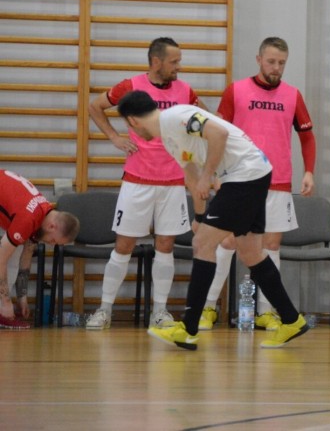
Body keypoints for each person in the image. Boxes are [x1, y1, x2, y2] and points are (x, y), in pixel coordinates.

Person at [117, 90, 308, 350]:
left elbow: (219, 133)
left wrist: (208, 176)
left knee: (202, 245)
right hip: (250, 174)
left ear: (132, 121)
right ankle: (291, 319)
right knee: (250, 252)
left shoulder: (176, 117)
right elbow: (192, 176)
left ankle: (189, 328)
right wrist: (199, 215)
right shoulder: (170, 139)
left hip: (244, 174)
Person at [198, 37, 316, 332]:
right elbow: (215, 134)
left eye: (282, 63)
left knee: (271, 244)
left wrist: (309, 171)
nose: (277, 68)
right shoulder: (235, 91)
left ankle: (265, 311)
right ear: (259, 59)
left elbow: (307, 136)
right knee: (226, 242)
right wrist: (213, 174)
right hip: (238, 180)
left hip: (277, 181)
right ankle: (208, 308)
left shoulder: (293, 95)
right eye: (272, 61)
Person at [86, 37, 205, 330]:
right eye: (174, 61)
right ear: (156, 62)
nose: (179, 66)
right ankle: (104, 310)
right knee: (124, 245)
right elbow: (95, 107)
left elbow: (205, 121)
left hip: (173, 181)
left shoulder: (185, 91)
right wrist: (114, 137)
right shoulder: (131, 86)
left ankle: (160, 311)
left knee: (165, 245)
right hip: (138, 180)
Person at [0, 168, 79, 328]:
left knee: (16, 252)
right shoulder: (28, 219)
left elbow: (27, 251)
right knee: (6, 255)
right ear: (52, 226)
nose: (51, 244)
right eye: (53, 240)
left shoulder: (44, 211)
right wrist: (6, 302)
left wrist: (22, 297)